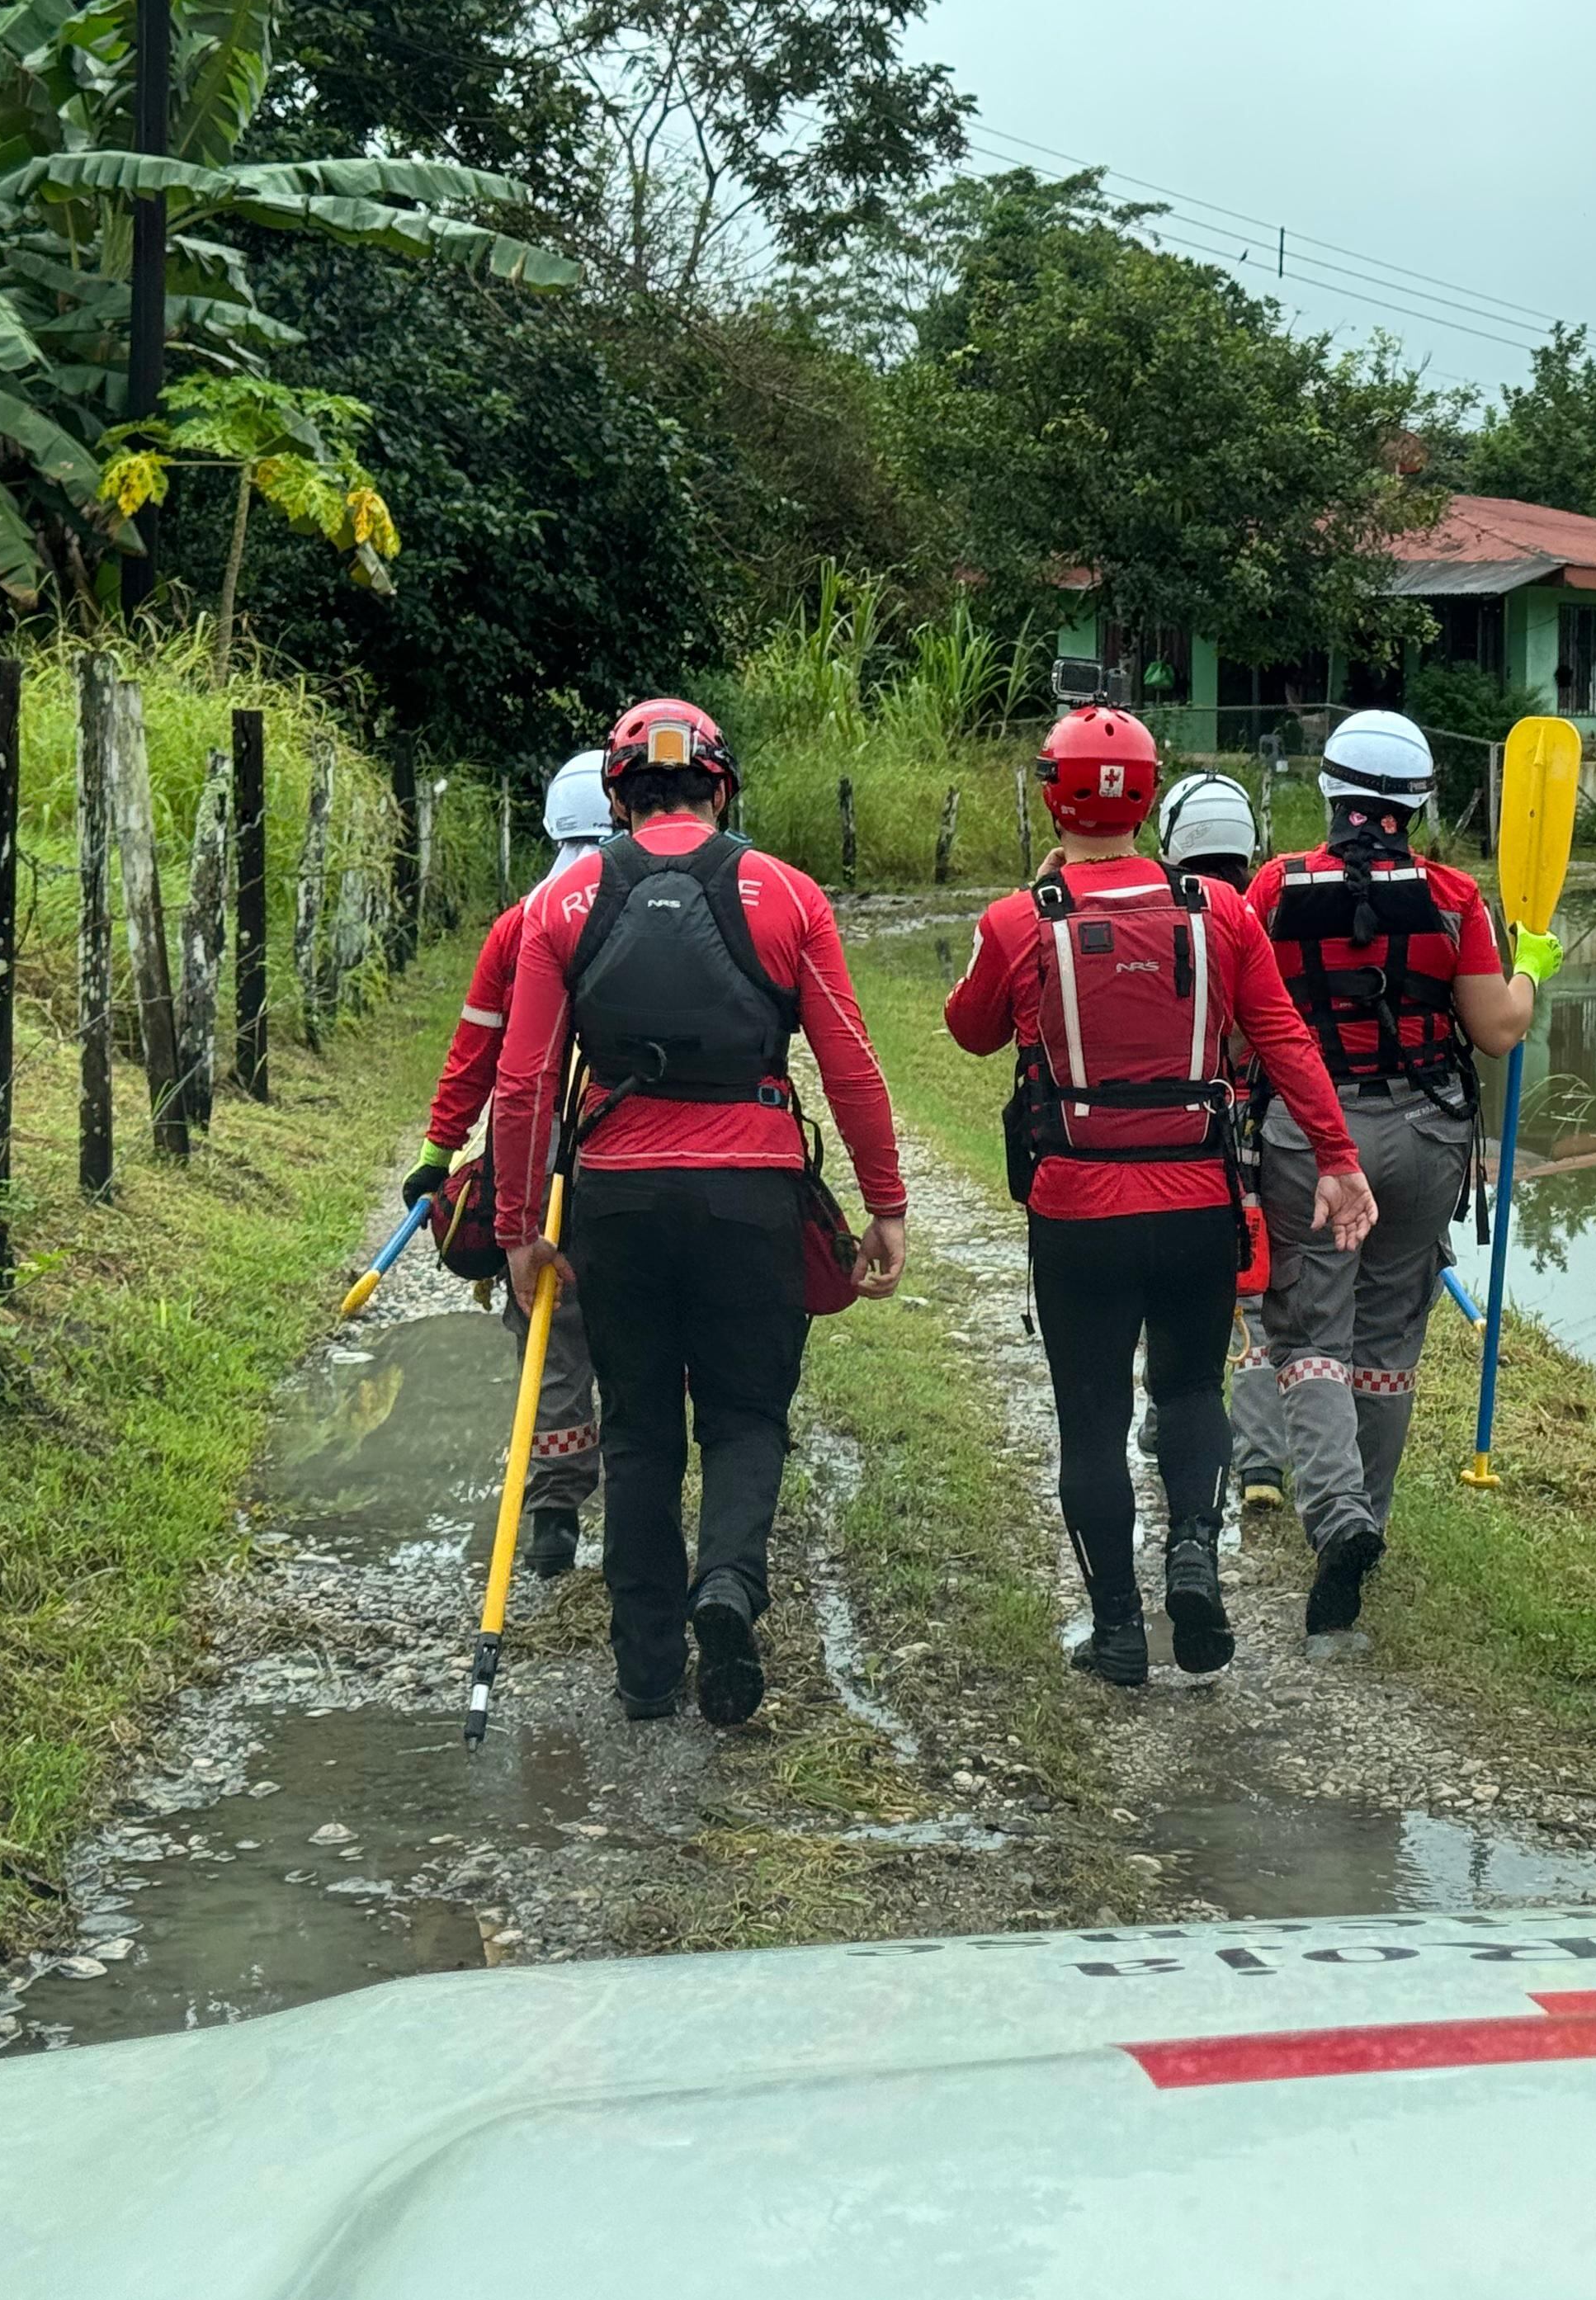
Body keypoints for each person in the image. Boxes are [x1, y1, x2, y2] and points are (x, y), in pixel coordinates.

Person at [489, 699, 909, 1727]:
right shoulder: (788, 895)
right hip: (752, 1193)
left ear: (618, 793)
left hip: (617, 1203)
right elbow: (849, 1062)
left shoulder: (562, 907)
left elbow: (525, 1081)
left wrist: (514, 1229)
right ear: (720, 788)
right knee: (746, 1414)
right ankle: (727, 1583)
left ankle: (644, 1670)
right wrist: (884, 1202)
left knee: (636, 1429)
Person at [944, 709, 1376, 1688]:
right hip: (1196, 1207)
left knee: (1091, 1420)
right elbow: (1284, 1040)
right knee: (1189, 1392)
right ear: (1148, 793)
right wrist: (1338, 1158)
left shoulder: (1018, 921)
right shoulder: (1221, 915)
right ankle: (1193, 1556)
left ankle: (1117, 1629)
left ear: (1055, 791)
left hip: (1077, 1212)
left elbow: (969, 1031)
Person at [1247, 708, 1563, 1651]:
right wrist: (1532, 968)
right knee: (1386, 1337)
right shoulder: (1457, 897)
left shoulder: (1272, 888)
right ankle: (1365, 1525)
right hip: (1427, 1134)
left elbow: (1237, 1025)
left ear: (1331, 794)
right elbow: (1498, 1030)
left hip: (1311, 1139)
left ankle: (1335, 1516)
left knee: (1308, 1331)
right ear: (1418, 804)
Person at [403, 749, 611, 1579]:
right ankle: (641, 1502)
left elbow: (477, 1056)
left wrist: (438, 1157)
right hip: (636, 1152)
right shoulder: (674, 902)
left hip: (540, 1159)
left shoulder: (523, 920)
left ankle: (554, 1513)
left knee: (548, 1325)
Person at [1150, 770, 1291, 1515]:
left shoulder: (1164, 917)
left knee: (1164, 1275)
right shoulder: (1261, 917)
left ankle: (1163, 1411)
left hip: (1181, 1135)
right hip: (1262, 1131)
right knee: (1258, 1298)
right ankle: (1261, 1464)